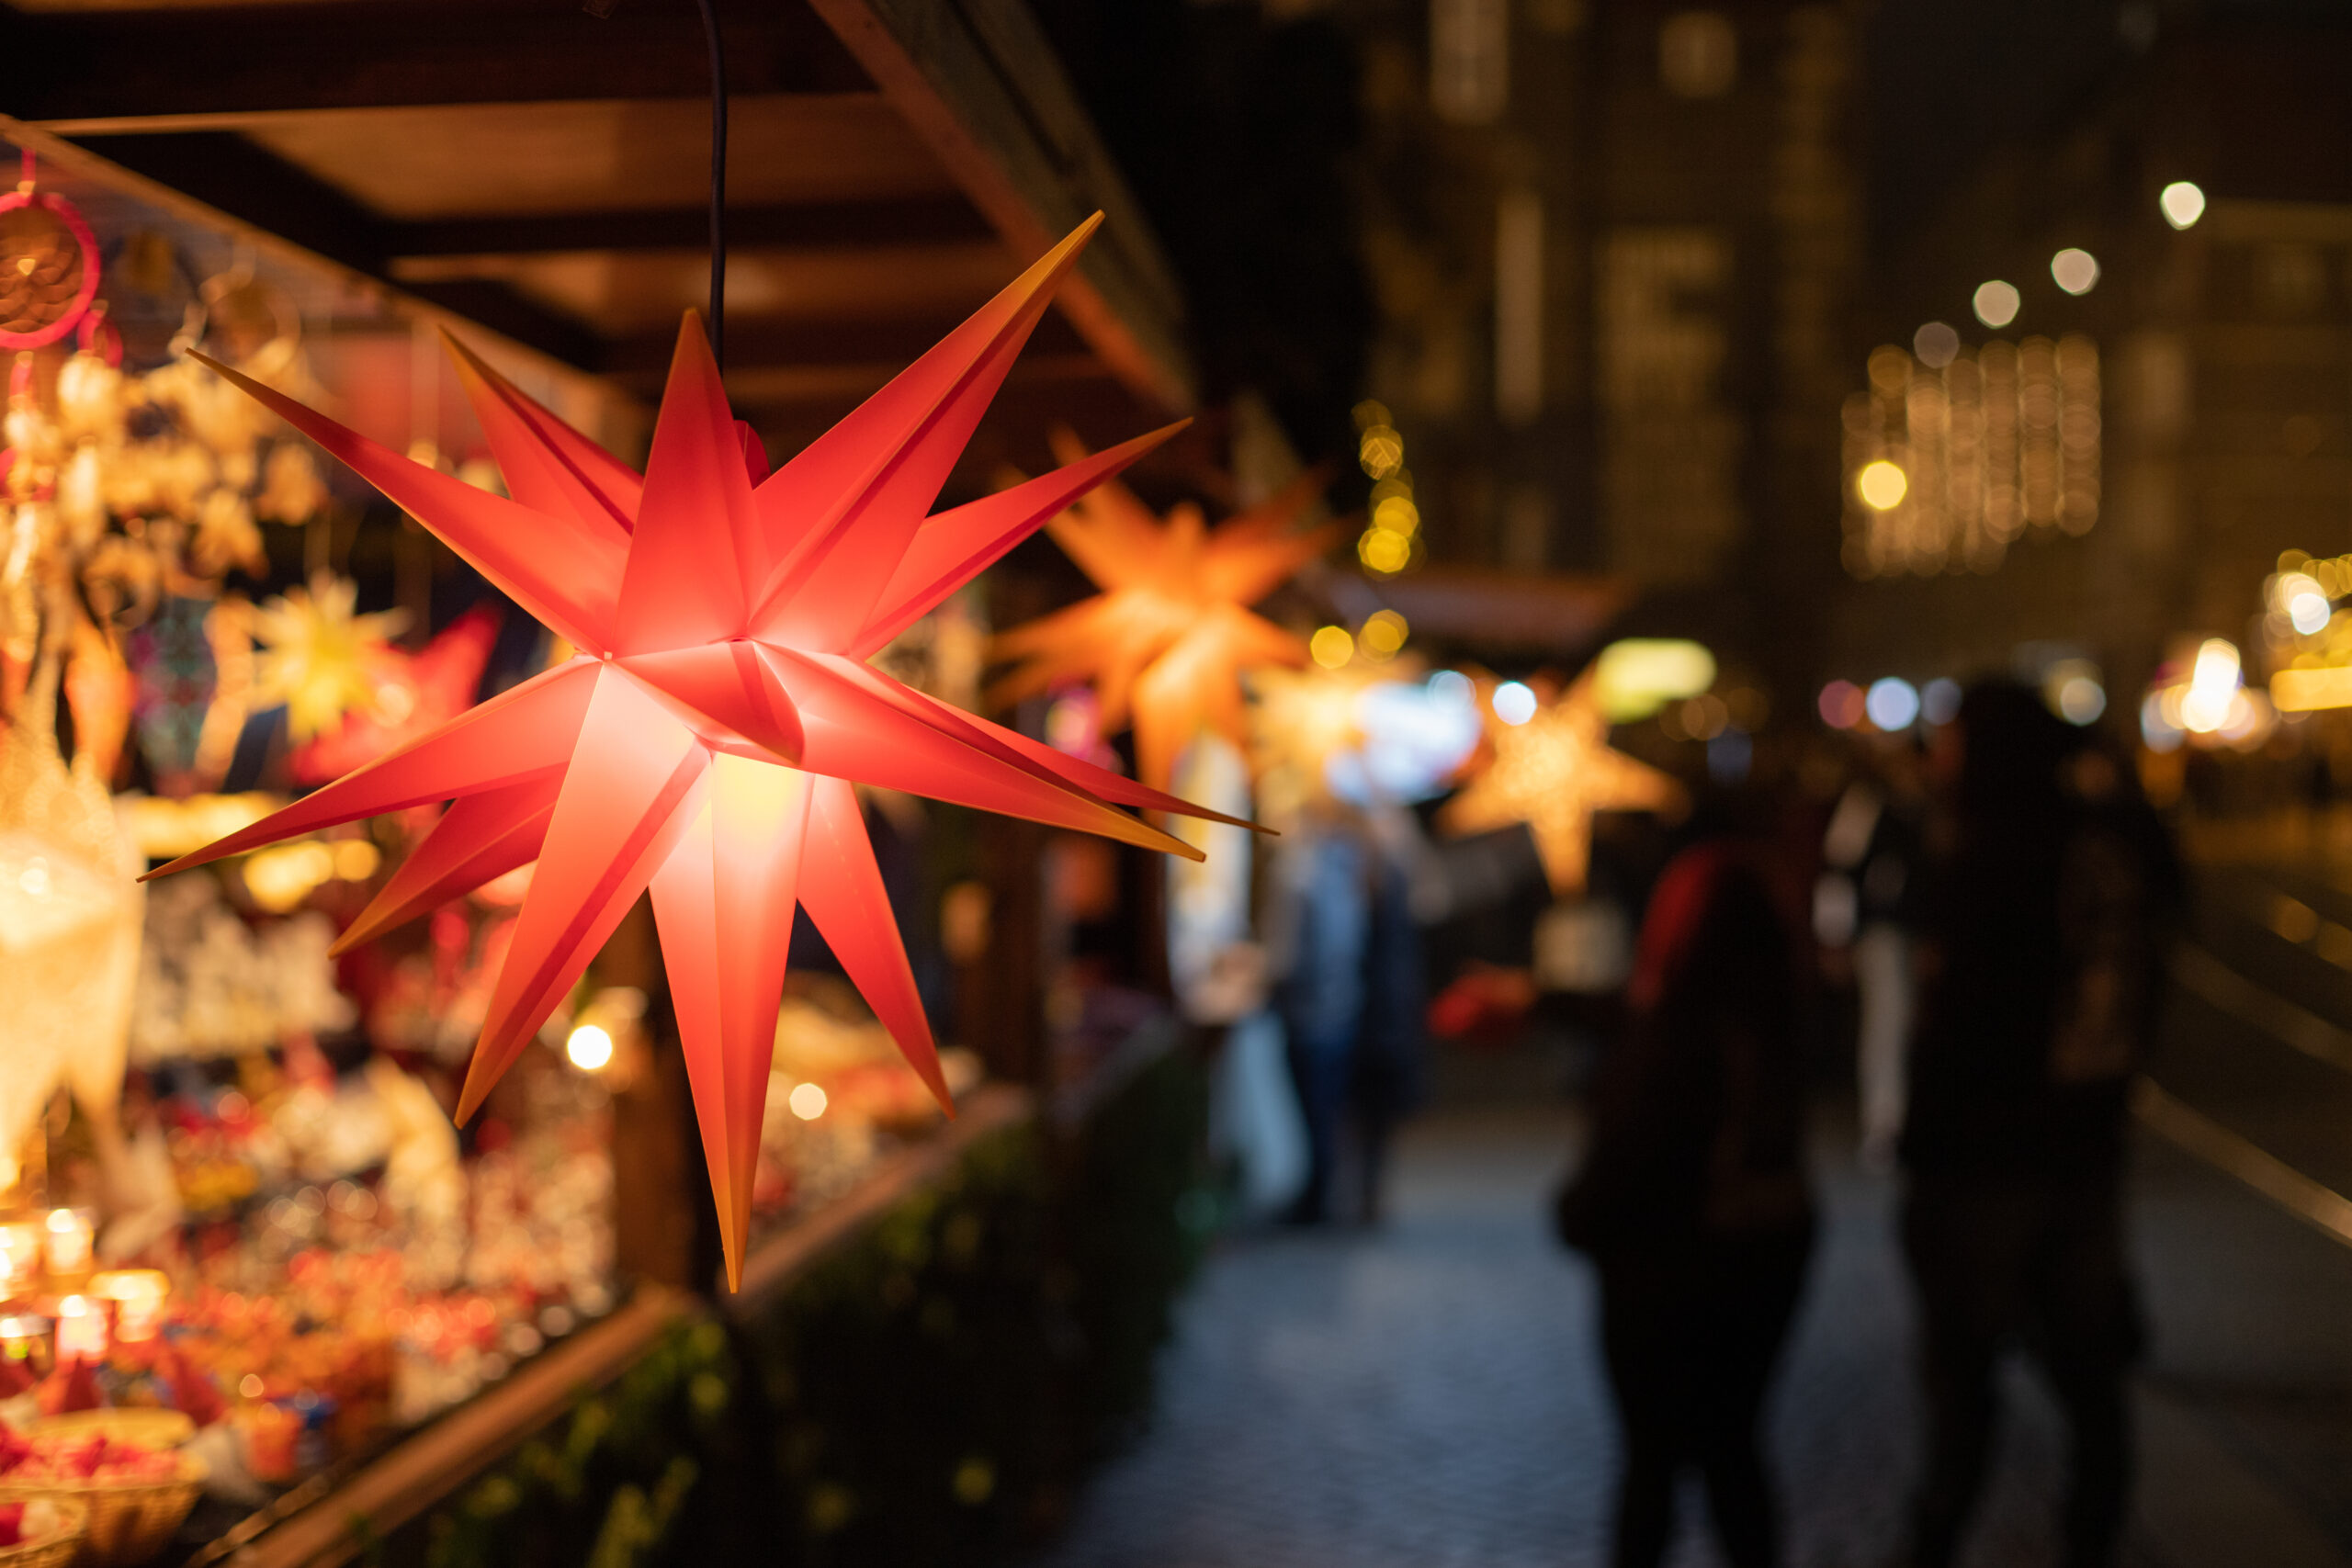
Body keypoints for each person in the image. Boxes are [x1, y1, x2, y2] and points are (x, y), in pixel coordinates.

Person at [1898, 682, 2180, 1568]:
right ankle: (2088, 1540)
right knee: (2091, 1376)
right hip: (2086, 1139)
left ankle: (1935, 1540)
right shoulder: (2117, 843)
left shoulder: (1992, 856)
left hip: (1992, 1153)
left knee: (1965, 1379)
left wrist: (1922, 1149)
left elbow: (1962, 1025)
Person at [1555, 832, 1815, 1568]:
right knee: (1736, 1450)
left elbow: (1618, 1180)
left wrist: (1576, 1214)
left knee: (1653, 1463)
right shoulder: (1779, 1031)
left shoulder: (1666, 1048)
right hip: (1764, 1262)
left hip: (1663, 1279)